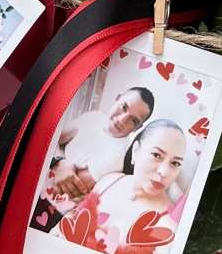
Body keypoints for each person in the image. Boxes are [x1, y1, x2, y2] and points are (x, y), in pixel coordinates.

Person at [64, 119, 190, 254]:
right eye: (157, 155)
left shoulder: (166, 226)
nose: (164, 172)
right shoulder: (110, 181)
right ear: (136, 151)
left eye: (175, 163)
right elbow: (73, 222)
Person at [34, 83, 154, 229]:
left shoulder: (118, 156)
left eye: (134, 120)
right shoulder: (94, 117)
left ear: (138, 128)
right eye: (124, 107)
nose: (122, 120)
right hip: (36, 179)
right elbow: (52, 141)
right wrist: (62, 162)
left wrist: (59, 159)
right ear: (117, 98)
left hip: (52, 208)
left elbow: (70, 185)